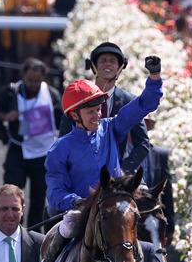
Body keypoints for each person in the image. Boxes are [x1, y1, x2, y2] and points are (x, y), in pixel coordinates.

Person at [43, 55, 164, 262]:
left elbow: (144, 104)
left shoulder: (111, 127)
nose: (97, 115)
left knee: (144, 238)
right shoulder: (59, 149)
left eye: (98, 109)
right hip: (80, 215)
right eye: (90, 111)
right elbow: (54, 194)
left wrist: (154, 78)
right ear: (74, 116)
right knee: (65, 230)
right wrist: (79, 201)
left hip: (114, 209)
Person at [58, 42, 153, 175]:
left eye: (112, 61)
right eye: (103, 60)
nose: (108, 64)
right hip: (80, 172)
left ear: (120, 67)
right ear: (93, 67)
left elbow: (142, 144)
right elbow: (63, 138)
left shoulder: (129, 101)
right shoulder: (77, 99)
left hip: (117, 175)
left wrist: (124, 170)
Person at [0, 58, 61, 228]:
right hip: (18, 149)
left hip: (42, 152)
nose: (33, 84)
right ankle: (13, 231)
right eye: (30, 80)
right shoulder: (11, 92)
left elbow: (61, 120)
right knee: (12, 192)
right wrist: (6, 117)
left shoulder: (52, 94)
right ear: (23, 75)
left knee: (38, 197)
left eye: (37, 81)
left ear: (43, 78)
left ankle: (33, 236)